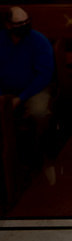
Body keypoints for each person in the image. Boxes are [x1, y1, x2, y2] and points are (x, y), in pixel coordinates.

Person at [0, 8, 55, 149]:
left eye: (27, 22)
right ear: (8, 25)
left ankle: (39, 149)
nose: (24, 26)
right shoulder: (1, 40)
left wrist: (21, 97)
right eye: (19, 24)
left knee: (39, 112)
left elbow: (44, 75)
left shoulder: (39, 41)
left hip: (34, 89)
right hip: (5, 90)